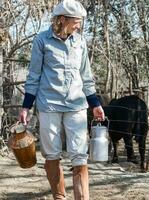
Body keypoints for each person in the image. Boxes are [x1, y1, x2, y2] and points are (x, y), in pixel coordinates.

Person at [18, 0, 105, 199]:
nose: (79, 25)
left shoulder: (80, 41)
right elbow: (34, 76)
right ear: (63, 19)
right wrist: (26, 107)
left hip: (76, 105)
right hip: (49, 104)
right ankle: (60, 197)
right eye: (76, 21)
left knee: (79, 154)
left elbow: (86, 75)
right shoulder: (42, 40)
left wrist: (95, 104)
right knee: (52, 153)